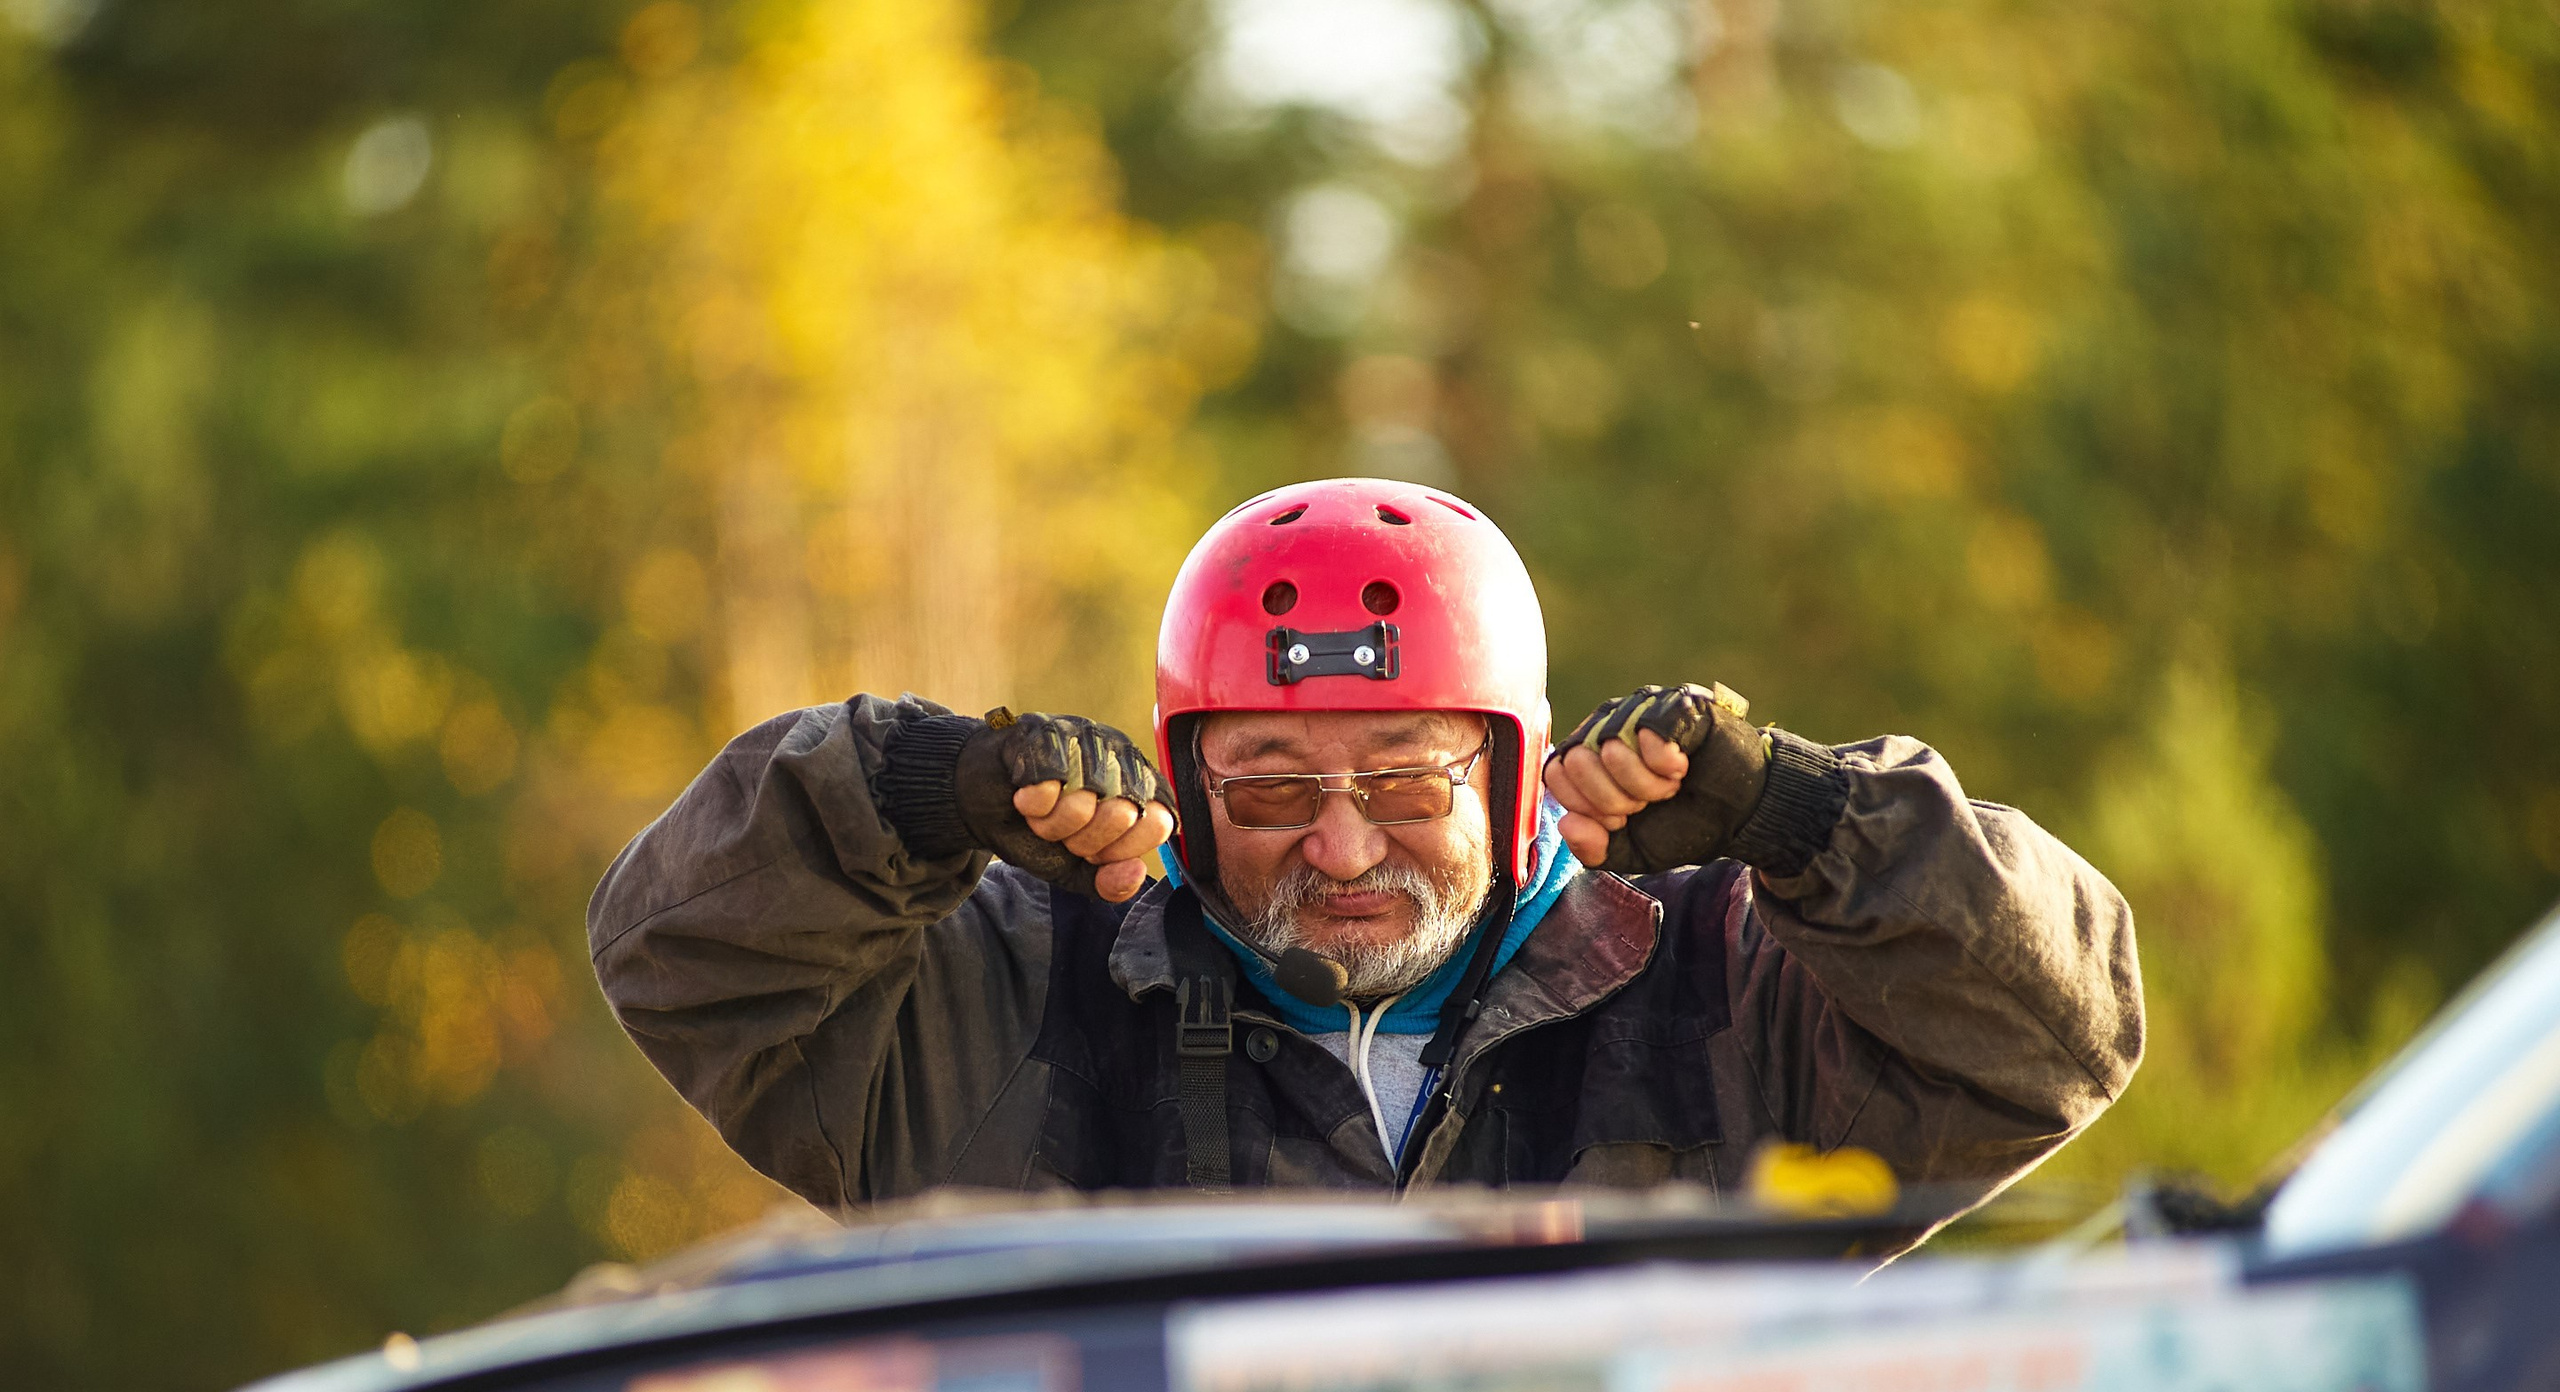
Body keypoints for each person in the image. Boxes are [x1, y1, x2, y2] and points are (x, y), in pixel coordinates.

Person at [590, 478, 2142, 1238]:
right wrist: (913, 796)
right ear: (1180, 783)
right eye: (1266, 786)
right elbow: (678, 959)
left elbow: (2056, 1038)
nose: (1339, 843)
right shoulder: (1014, 992)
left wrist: (1805, 821)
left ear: (1517, 766)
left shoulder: (1726, 986)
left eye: (1408, 778)